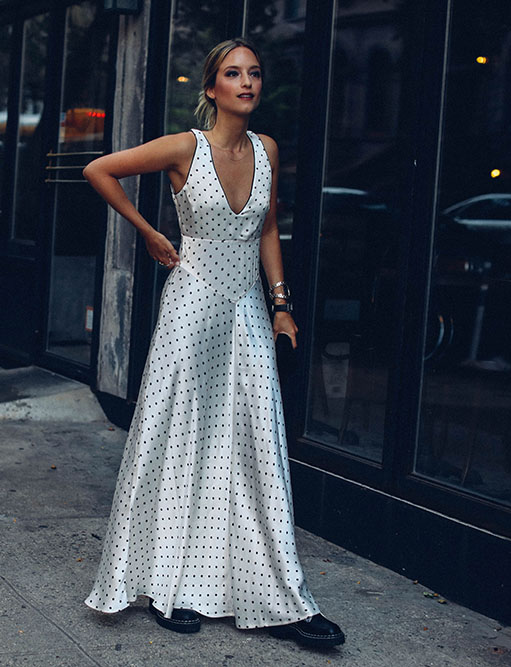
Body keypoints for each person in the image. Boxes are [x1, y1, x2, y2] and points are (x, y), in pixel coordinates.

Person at [83, 37, 345, 650]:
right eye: (234, 73)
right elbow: (100, 169)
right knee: (177, 442)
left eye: (255, 73)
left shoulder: (267, 149)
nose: (247, 82)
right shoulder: (184, 147)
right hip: (192, 308)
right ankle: (164, 587)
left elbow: (269, 226)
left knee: (254, 446)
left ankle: (279, 598)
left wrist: (282, 307)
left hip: (247, 313)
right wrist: (149, 232)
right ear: (212, 88)